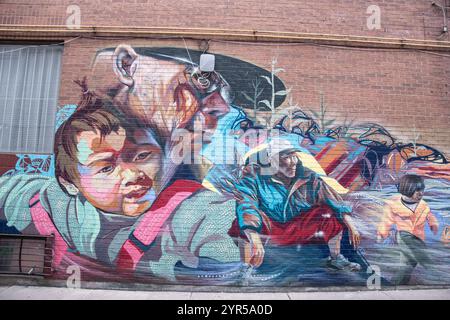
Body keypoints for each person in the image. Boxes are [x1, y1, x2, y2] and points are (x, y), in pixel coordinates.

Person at [0, 87, 241, 281]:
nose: (133, 175)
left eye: (143, 156)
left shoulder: (194, 211)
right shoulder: (44, 199)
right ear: (69, 184)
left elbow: (222, 263)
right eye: (106, 167)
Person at [229, 139, 362, 271]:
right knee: (241, 223)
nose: (293, 162)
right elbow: (246, 205)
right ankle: (245, 268)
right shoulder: (253, 177)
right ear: (271, 160)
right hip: (270, 229)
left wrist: (351, 224)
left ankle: (336, 258)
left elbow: (331, 198)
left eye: (294, 156)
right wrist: (254, 238)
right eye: (287, 157)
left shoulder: (308, 176)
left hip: (297, 229)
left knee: (326, 213)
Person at [377, 174, 439, 285]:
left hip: (419, 237)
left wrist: (433, 223)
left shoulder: (423, 205)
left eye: (422, 190)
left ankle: (396, 283)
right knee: (414, 247)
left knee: (409, 264)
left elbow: (429, 214)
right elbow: (386, 220)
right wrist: (382, 234)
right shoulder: (393, 205)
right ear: (408, 190)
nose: (421, 193)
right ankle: (430, 266)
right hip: (404, 235)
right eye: (417, 190)